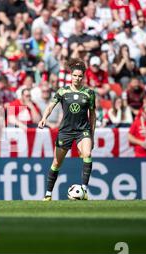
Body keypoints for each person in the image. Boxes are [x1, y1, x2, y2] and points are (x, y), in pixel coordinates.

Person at [38, 58, 96, 201]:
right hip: (66, 131)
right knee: (56, 163)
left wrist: (92, 135)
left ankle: (84, 189)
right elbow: (51, 105)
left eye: (80, 76)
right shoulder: (63, 91)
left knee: (87, 153)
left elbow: (93, 115)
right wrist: (44, 118)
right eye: (75, 75)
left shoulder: (89, 93)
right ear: (71, 76)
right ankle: (48, 194)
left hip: (83, 130)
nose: (77, 78)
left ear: (83, 77)